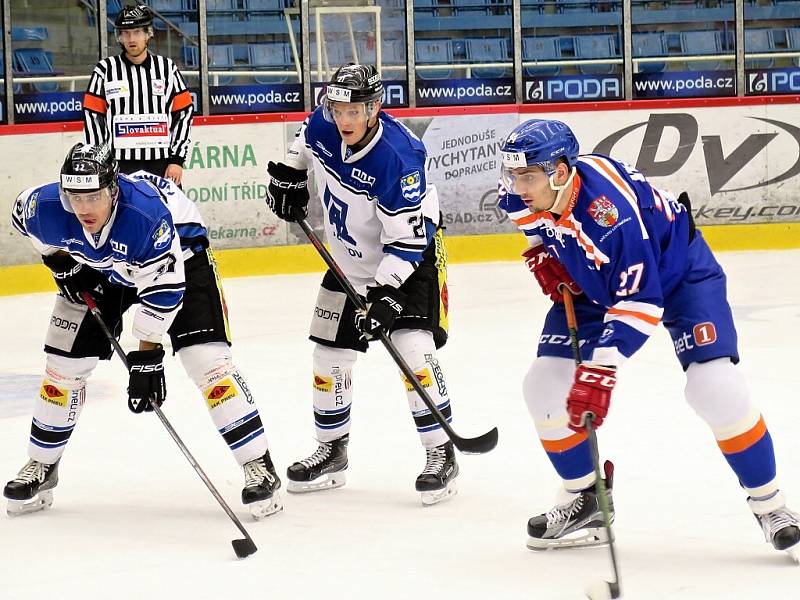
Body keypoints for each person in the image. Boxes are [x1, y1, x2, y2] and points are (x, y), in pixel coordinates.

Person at [496, 118, 799, 559]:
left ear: (560, 172)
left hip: (678, 276)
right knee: (543, 387)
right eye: (513, 174)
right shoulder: (521, 193)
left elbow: (642, 300)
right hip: (594, 281)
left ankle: (773, 507)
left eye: (527, 176)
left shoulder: (609, 216)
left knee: (714, 389)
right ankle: (586, 499)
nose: (516, 186)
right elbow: (537, 228)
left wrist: (600, 371)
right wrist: (547, 255)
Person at [4, 143, 281, 520]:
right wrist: (62, 264)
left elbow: (165, 288)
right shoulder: (47, 207)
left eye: (94, 197)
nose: (83, 209)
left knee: (208, 362)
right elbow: (25, 220)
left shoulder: (144, 215)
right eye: (75, 197)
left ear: (113, 189)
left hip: (182, 258)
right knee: (62, 367)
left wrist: (148, 356)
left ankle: (258, 465)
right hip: (106, 269)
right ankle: (42, 465)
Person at [264, 63, 458, 505]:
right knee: (329, 354)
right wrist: (290, 175)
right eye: (337, 109)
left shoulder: (399, 157)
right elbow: (304, 141)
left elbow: (408, 241)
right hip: (347, 261)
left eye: (354, 110)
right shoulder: (325, 122)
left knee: (413, 351)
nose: (344, 120)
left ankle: (441, 452)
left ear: (374, 108)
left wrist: (386, 291)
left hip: (408, 261)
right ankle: (332, 450)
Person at [83, 4, 193, 184]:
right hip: (118, 164)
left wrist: (177, 160)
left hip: (162, 164)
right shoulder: (105, 70)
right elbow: (93, 117)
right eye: (126, 33)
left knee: (168, 212)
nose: (131, 38)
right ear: (119, 36)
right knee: (121, 212)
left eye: (137, 32)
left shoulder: (167, 68)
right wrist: (99, 160)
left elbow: (184, 113)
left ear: (148, 34)